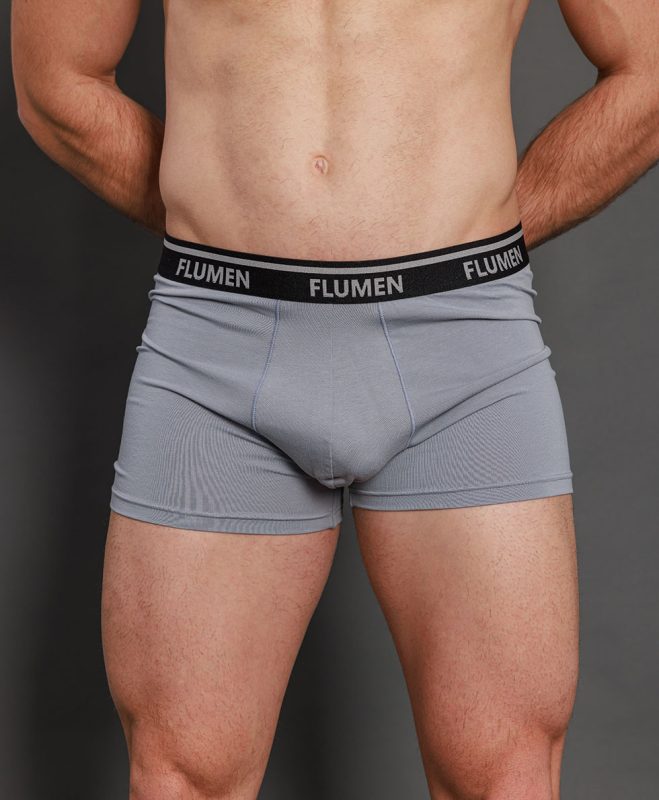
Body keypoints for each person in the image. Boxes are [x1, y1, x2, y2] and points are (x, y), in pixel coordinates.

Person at [11, 0, 658, 797]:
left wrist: (472, 232)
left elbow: (649, 70)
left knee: (502, 772)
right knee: (184, 776)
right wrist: (224, 220)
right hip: (220, 347)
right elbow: (56, 82)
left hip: (460, 349)